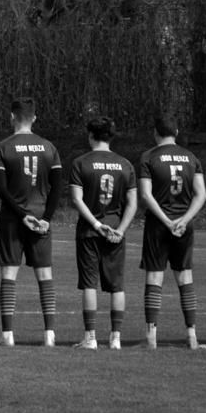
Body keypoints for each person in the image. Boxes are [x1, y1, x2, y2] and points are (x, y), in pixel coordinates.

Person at [0, 97, 62, 346]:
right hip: (41, 219)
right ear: (34, 118)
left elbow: (1, 188)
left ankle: (8, 335)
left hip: (13, 220)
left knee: (9, 274)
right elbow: (57, 188)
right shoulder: (49, 148)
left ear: (11, 117)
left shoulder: (2, 147)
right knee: (44, 275)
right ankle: (49, 335)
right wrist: (47, 219)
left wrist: (22, 215)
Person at [137, 115, 206, 348]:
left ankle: (151, 338)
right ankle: (192, 335)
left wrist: (167, 221)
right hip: (183, 226)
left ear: (155, 133)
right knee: (185, 278)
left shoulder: (149, 157)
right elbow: (202, 195)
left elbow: (146, 195)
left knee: (154, 277)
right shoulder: (191, 157)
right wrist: (184, 220)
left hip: (159, 224)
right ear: (176, 132)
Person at [68, 117, 138, 348]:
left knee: (90, 284)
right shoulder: (125, 164)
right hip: (116, 232)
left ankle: (90, 338)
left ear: (90, 135)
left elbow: (77, 200)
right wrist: (120, 229)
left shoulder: (81, 162)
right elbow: (132, 204)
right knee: (116, 285)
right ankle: (115, 338)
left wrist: (97, 225)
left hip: (90, 231)